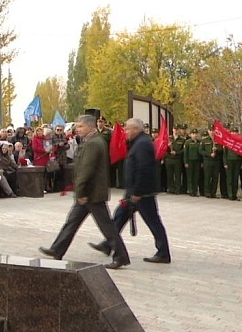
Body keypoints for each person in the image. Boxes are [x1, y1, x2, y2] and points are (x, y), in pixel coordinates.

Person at [39, 114, 130, 269]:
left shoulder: (94, 143)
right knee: (71, 222)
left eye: (80, 126)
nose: (77, 129)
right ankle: (57, 250)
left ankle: (121, 256)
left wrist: (80, 192)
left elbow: (87, 170)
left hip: (91, 194)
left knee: (106, 226)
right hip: (88, 193)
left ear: (90, 126)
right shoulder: (90, 141)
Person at [88, 118, 170, 264]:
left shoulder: (143, 144)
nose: (125, 132)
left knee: (153, 222)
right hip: (134, 192)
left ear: (136, 129)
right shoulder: (137, 143)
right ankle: (108, 244)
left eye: (127, 129)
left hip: (142, 193)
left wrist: (137, 192)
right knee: (119, 216)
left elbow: (143, 170)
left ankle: (163, 253)